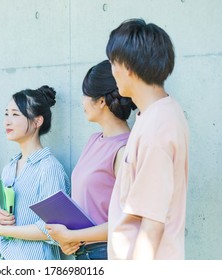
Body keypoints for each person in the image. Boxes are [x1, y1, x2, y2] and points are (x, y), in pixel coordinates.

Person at [106, 19, 189, 259]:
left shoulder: (158, 128)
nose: (112, 72)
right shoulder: (156, 115)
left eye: (113, 63)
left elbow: (151, 227)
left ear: (128, 67)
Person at [46, 60, 136, 260]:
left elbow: (128, 222)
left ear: (101, 101)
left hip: (109, 254)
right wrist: (70, 241)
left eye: (85, 95)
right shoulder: (94, 140)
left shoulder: (125, 150)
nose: (82, 101)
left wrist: (73, 236)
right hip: (84, 253)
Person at [0, 85, 70, 260]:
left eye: (15, 114)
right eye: (6, 113)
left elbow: (54, 228)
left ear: (37, 122)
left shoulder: (48, 168)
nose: (7, 121)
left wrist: (2, 229)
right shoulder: (9, 168)